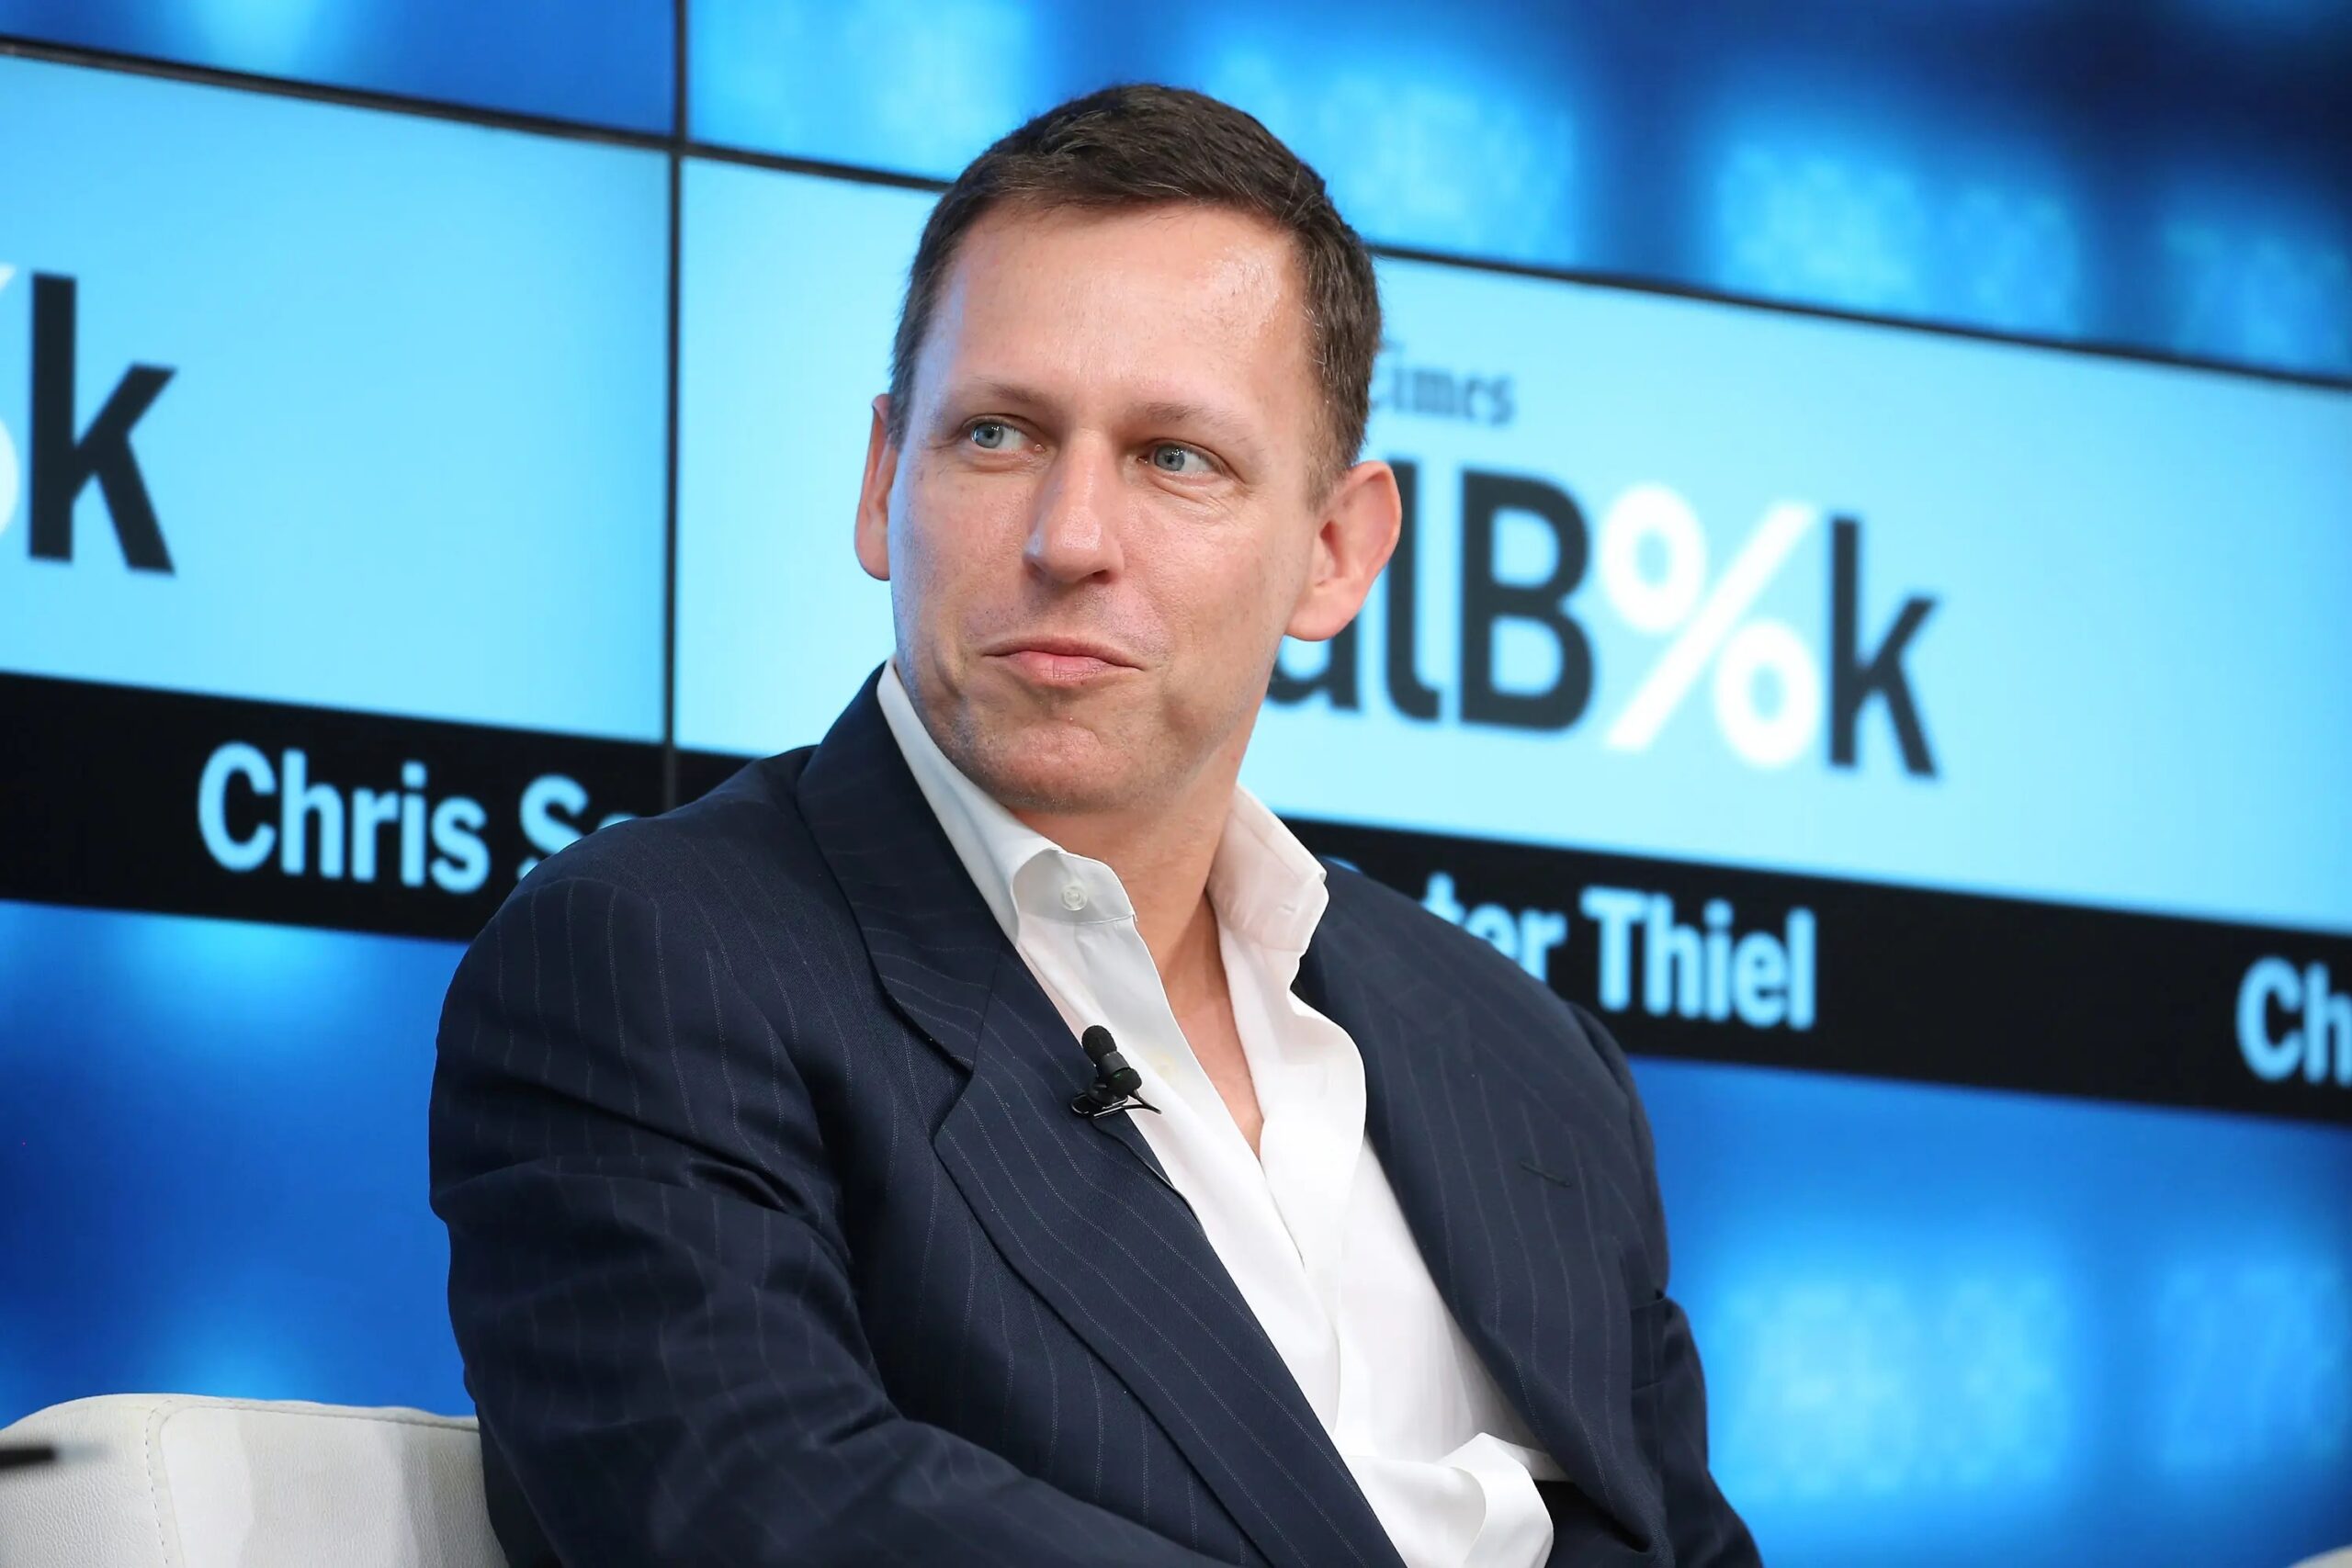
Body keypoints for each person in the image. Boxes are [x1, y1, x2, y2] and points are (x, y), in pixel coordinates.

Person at [431, 83, 1758, 1568]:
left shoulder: (1525, 1058)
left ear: (1335, 551)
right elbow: (769, 1506)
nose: (1068, 538)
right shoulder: (649, 967)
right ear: (883, 481)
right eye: (997, 434)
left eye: (1175, 457)